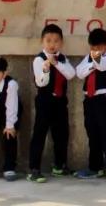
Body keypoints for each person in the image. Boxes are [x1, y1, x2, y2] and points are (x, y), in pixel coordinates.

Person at [75, 28, 106, 185]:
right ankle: (95, 167)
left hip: (103, 100)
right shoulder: (88, 57)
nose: (96, 50)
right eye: (93, 47)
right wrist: (92, 64)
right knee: (92, 134)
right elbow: (79, 72)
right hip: (89, 100)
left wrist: (95, 62)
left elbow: (103, 65)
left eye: (99, 47)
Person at [28, 23, 76, 182]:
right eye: (48, 40)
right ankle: (34, 169)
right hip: (45, 101)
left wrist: (56, 63)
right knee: (40, 133)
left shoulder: (62, 59)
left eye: (56, 41)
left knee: (62, 134)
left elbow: (71, 74)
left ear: (61, 43)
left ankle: (59, 166)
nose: (52, 44)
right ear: (42, 41)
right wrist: (46, 70)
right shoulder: (38, 59)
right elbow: (40, 82)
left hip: (60, 102)